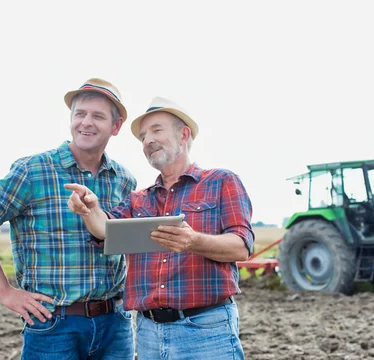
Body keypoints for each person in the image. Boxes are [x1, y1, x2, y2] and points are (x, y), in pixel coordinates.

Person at [0, 78, 137, 360]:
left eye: (98, 116)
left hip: (114, 325)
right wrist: (5, 291)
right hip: (53, 324)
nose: (86, 122)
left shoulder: (124, 179)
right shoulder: (33, 171)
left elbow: (128, 243)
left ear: (115, 127)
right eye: (80, 114)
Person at [65, 96, 254, 360]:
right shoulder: (139, 199)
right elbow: (105, 230)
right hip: (148, 332)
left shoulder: (222, 181)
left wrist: (193, 242)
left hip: (205, 330)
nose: (147, 141)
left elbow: (241, 247)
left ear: (183, 134)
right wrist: (90, 209)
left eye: (156, 130)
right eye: (143, 136)